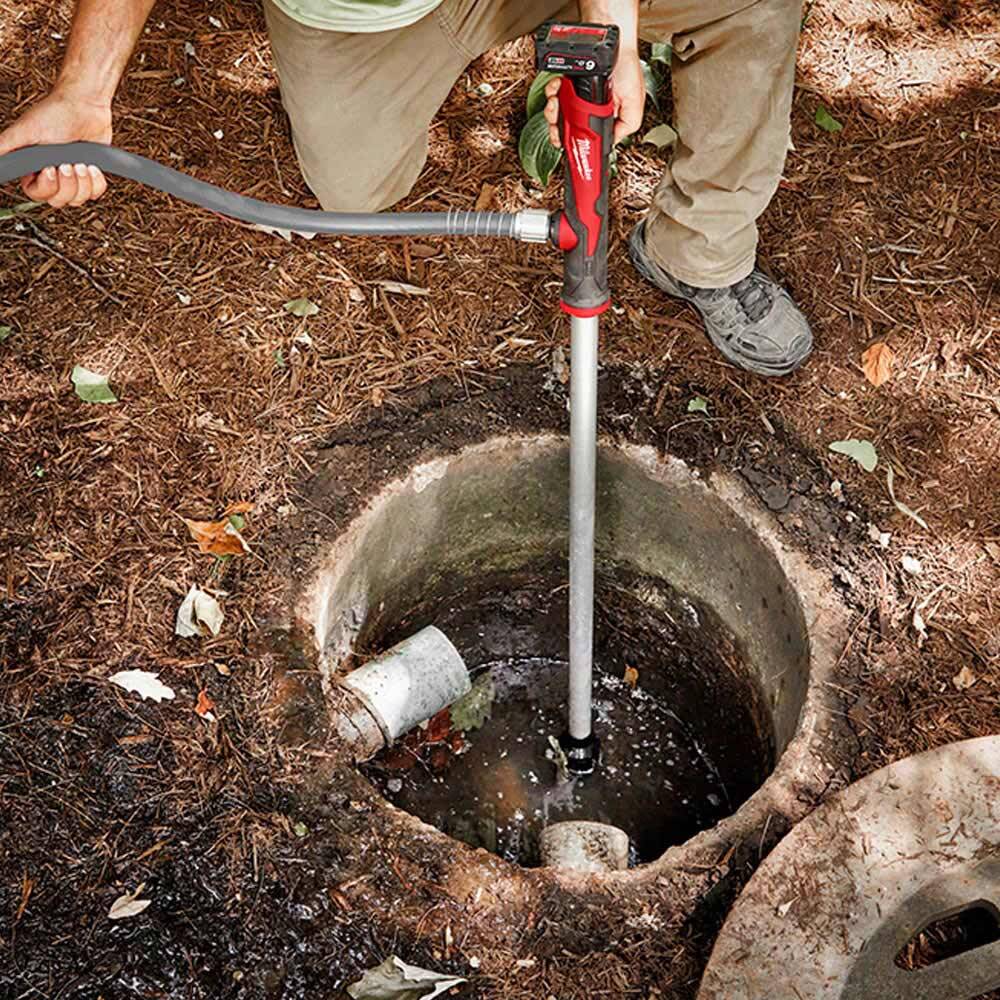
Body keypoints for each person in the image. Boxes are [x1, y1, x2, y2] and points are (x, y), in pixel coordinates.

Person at [0, 0, 812, 376]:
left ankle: (698, 253)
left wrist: (616, 31)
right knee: (357, 185)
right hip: (363, 20)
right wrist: (84, 89)